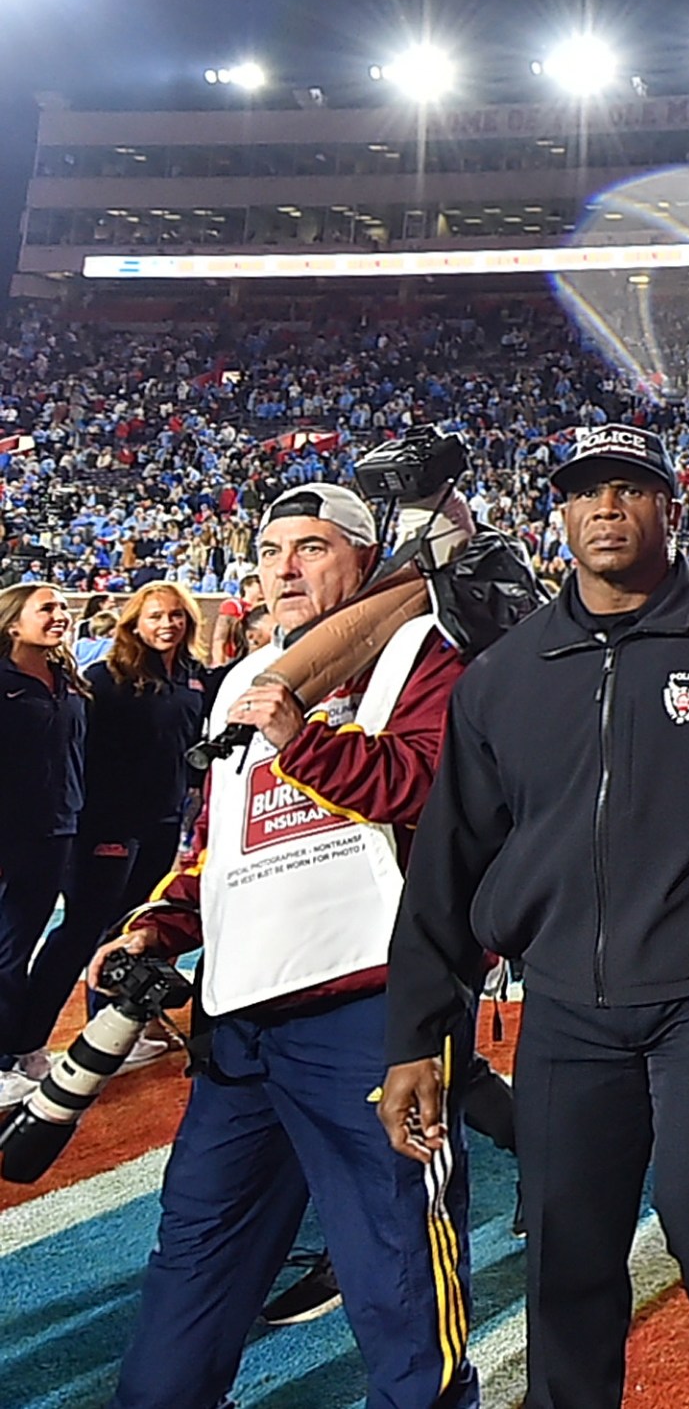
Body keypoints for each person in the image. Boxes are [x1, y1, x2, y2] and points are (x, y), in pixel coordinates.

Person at [382, 424, 689, 1409]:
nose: (607, 509)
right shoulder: (505, 677)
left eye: (630, 489)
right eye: (585, 492)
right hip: (566, 999)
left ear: (671, 505)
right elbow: (449, 865)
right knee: (566, 1240)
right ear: (558, 514)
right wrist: (415, 1035)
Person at [91, 483, 477, 1409]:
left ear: (366, 558)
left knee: (400, 1279)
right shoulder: (239, 680)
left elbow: (429, 790)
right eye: (269, 552)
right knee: (194, 1255)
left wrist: (301, 741)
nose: (285, 568)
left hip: (371, 1012)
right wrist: (155, 925)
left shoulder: (428, 654)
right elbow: (217, 848)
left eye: (311, 547)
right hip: (238, 1024)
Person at [16, 582, 206, 1081]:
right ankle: (26, 1042)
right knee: (80, 932)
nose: (167, 624)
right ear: (134, 624)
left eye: (176, 616)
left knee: (130, 931)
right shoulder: (104, 678)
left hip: (162, 824)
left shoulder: (193, 679)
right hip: (105, 825)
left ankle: (110, 1024)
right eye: (156, 617)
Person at [0, 582, 87, 1104]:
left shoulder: (66, 676)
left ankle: (18, 1046)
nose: (61, 614)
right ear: (13, 623)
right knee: (6, 950)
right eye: (47, 608)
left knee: (20, 944)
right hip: (11, 832)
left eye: (63, 606)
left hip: (60, 828)